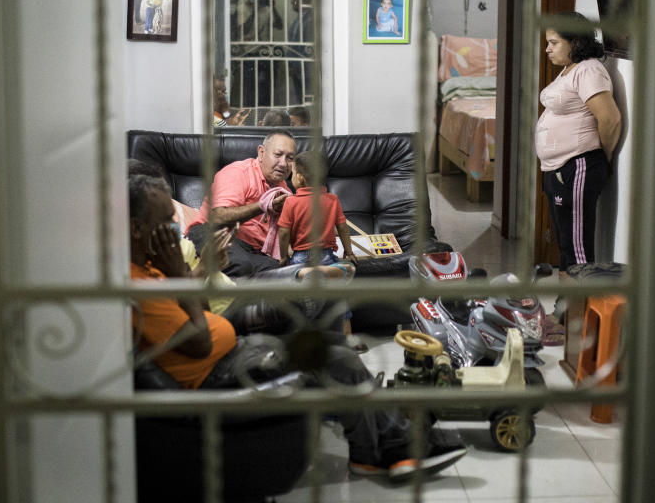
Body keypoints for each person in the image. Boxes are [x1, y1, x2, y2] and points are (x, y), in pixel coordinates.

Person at [129, 174, 468, 481]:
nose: (173, 228)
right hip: (215, 374)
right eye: (163, 222)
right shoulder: (138, 284)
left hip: (227, 351)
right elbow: (200, 343)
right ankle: (393, 443)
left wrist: (198, 272)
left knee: (325, 342)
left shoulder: (151, 265)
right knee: (332, 357)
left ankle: (377, 446)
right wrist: (179, 276)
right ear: (135, 228)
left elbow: (200, 313)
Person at [535, 11, 622, 277]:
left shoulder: (589, 70)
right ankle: (565, 313)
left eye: (554, 42)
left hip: (578, 165)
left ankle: (579, 315)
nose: (547, 49)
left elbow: (610, 118)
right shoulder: (569, 70)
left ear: (574, 41)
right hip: (560, 169)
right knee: (565, 247)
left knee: (578, 252)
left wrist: (599, 156)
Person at [185, 130, 297, 278]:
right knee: (241, 265)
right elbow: (217, 217)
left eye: (290, 158)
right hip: (212, 233)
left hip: (251, 250)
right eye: (277, 154)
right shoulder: (239, 172)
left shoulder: (285, 189)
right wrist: (263, 206)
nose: (283, 164)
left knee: (280, 271)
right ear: (261, 152)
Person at [278, 151, 356, 273]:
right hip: (326, 253)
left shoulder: (291, 202)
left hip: (301, 256)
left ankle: (306, 274)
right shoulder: (332, 200)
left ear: (299, 178)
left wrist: (283, 256)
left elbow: (283, 232)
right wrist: (349, 252)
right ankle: (334, 270)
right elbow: (342, 227)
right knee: (333, 265)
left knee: (293, 275)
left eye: (292, 174)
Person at [287, 0, 315, 105]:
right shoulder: (298, 19)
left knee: (307, 100)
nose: (291, 2)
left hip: (306, 69)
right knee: (301, 100)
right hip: (297, 69)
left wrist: (297, 65)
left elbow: (308, 46)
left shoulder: (310, 18)